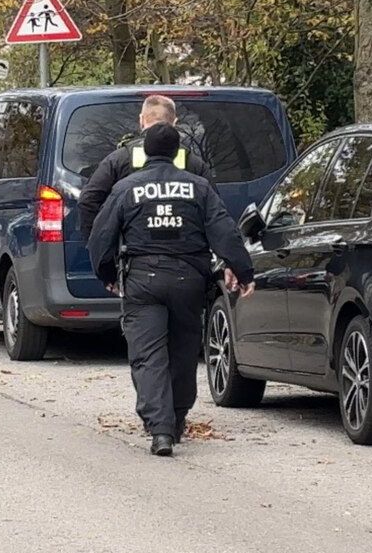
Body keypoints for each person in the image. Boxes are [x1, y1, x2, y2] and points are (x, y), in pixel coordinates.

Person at [88, 123, 255, 457]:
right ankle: (177, 419)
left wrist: (106, 274)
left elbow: (100, 236)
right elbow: (223, 231)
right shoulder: (200, 187)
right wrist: (243, 269)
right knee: (182, 353)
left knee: (148, 356)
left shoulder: (126, 187)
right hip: (188, 279)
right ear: (177, 152)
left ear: (146, 151)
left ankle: (160, 430)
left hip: (142, 279)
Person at [77, 94, 213, 241]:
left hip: (134, 252)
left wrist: (101, 245)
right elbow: (213, 210)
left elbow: (88, 200)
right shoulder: (193, 161)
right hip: (186, 251)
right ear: (174, 122)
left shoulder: (119, 159)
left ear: (141, 120)